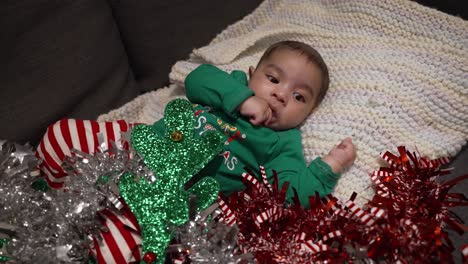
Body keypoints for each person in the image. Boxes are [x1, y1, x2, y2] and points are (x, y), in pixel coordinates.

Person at [37, 40, 356, 207]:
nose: (281, 95)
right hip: (134, 148)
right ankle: (54, 197)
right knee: (60, 135)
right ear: (250, 75)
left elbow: (295, 194)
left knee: (128, 241)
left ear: (308, 115)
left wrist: (329, 166)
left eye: (299, 97)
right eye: (273, 78)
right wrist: (243, 99)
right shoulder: (231, 86)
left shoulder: (282, 143)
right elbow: (197, 80)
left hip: (174, 196)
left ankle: (78, 217)